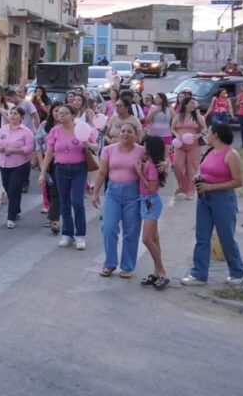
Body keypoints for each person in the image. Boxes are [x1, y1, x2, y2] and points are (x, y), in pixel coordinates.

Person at [182, 123, 243, 286]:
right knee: (202, 237)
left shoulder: (231, 154)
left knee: (226, 237)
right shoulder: (210, 151)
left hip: (223, 199)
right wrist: (198, 177)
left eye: (209, 132)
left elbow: (238, 181)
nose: (206, 135)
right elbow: (204, 171)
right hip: (204, 198)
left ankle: (237, 272)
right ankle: (199, 274)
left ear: (216, 135)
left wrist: (212, 186)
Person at [92, 122, 145, 278]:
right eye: (123, 131)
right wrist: (95, 193)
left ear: (136, 135)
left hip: (134, 194)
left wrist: (164, 163)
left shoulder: (142, 151)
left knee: (131, 231)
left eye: (129, 131)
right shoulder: (109, 149)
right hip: (113, 193)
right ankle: (109, 263)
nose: (125, 134)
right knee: (108, 227)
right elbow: (102, 172)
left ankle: (127, 266)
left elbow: (156, 165)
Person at [40, 104, 95, 250]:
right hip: (61, 169)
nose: (60, 115)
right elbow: (49, 153)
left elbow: (95, 147)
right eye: (58, 113)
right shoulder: (54, 131)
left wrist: (89, 145)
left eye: (64, 113)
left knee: (77, 202)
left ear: (72, 115)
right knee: (64, 202)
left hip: (79, 169)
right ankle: (67, 234)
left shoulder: (81, 129)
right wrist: (42, 172)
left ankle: (80, 235)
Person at [137, 134, 169, 290]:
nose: (142, 148)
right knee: (154, 238)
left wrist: (139, 173)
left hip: (150, 202)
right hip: (146, 202)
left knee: (147, 239)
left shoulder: (151, 165)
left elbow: (151, 187)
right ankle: (157, 272)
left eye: (145, 145)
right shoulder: (150, 163)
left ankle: (161, 270)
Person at [0, 106, 34, 229]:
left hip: (20, 165)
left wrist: (14, 150)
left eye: (15, 114)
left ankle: (11, 218)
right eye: (11, 113)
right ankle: (16, 209)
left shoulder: (26, 131)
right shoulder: (3, 129)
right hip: (4, 164)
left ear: (21, 117)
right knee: (8, 188)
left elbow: (29, 148)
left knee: (14, 189)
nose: (12, 116)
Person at [171, 97, 207, 201]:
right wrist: (177, 135)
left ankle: (190, 190)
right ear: (186, 105)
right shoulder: (178, 116)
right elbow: (172, 128)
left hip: (194, 145)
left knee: (192, 168)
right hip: (180, 145)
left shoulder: (198, 117)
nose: (193, 105)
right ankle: (181, 186)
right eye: (191, 103)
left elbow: (204, 128)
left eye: (194, 103)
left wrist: (198, 135)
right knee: (177, 166)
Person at [35, 101, 62, 234]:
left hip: (62, 162)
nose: (58, 113)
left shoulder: (68, 126)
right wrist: (42, 166)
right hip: (47, 161)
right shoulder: (44, 126)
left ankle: (54, 219)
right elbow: (39, 146)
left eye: (60, 111)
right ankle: (53, 212)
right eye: (55, 111)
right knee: (49, 189)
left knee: (56, 190)